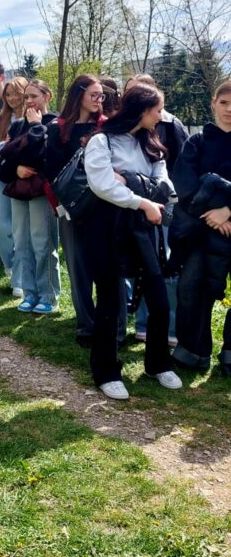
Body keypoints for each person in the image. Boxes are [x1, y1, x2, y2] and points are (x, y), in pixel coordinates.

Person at [84, 84, 182, 399]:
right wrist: (144, 201)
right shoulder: (101, 141)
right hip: (106, 227)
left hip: (143, 228)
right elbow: (102, 186)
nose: (161, 116)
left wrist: (128, 180)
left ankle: (158, 363)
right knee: (110, 301)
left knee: (159, 299)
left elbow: (165, 188)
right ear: (142, 110)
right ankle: (106, 371)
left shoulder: (152, 144)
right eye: (157, 110)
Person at [170, 80, 231, 376]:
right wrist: (213, 216)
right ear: (213, 104)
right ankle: (193, 352)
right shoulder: (197, 142)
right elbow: (185, 187)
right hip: (200, 231)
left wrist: (228, 212)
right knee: (192, 289)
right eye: (224, 102)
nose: (229, 109)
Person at [123, 73, 188, 344]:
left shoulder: (171, 124)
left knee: (165, 264)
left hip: (165, 202)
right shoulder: (123, 129)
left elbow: (181, 167)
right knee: (141, 264)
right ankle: (142, 324)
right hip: (134, 204)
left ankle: (170, 328)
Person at [46, 74, 110, 346]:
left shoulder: (106, 126)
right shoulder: (58, 128)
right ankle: (86, 326)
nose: (98, 100)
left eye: (101, 96)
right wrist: (59, 206)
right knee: (78, 268)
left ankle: (110, 325)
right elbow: (51, 171)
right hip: (71, 208)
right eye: (93, 94)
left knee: (106, 268)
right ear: (78, 94)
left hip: (104, 206)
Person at [0, 78, 60, 314]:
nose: (29, 101)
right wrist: (16, 169)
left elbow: (40, 157)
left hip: (42, 192)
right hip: (19, 190)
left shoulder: (55, 123)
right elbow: (4, 162)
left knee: (42, 242)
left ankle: (48, 294)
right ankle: (29, 292)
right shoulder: (16, 127)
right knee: (22, 241)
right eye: (26, 97)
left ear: (47, 97)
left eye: (34, 96)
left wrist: (36, 126)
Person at [0, 76, 27, 297]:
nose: (12, 98)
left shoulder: (33, 117)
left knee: (21, 229)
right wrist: (8, 145)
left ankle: (19, 277)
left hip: (27, 181)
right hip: (2, 178)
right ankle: (10, 263)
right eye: (8, 94)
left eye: (16, 93)